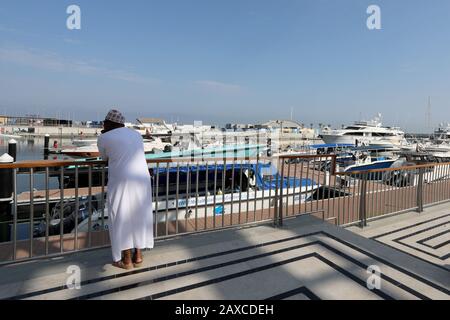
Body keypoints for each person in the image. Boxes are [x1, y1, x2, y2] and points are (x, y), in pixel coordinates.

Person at [97, 109, 154, 269]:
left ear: (108, 123)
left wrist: (104, 134)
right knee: (139, 215)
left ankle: (126, 259)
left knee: (121, 215)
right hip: (142, 179)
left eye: (104, 123)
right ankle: (138, 255)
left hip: (121, 181)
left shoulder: (104, 137)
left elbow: (104, 157)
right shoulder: (135, 134)